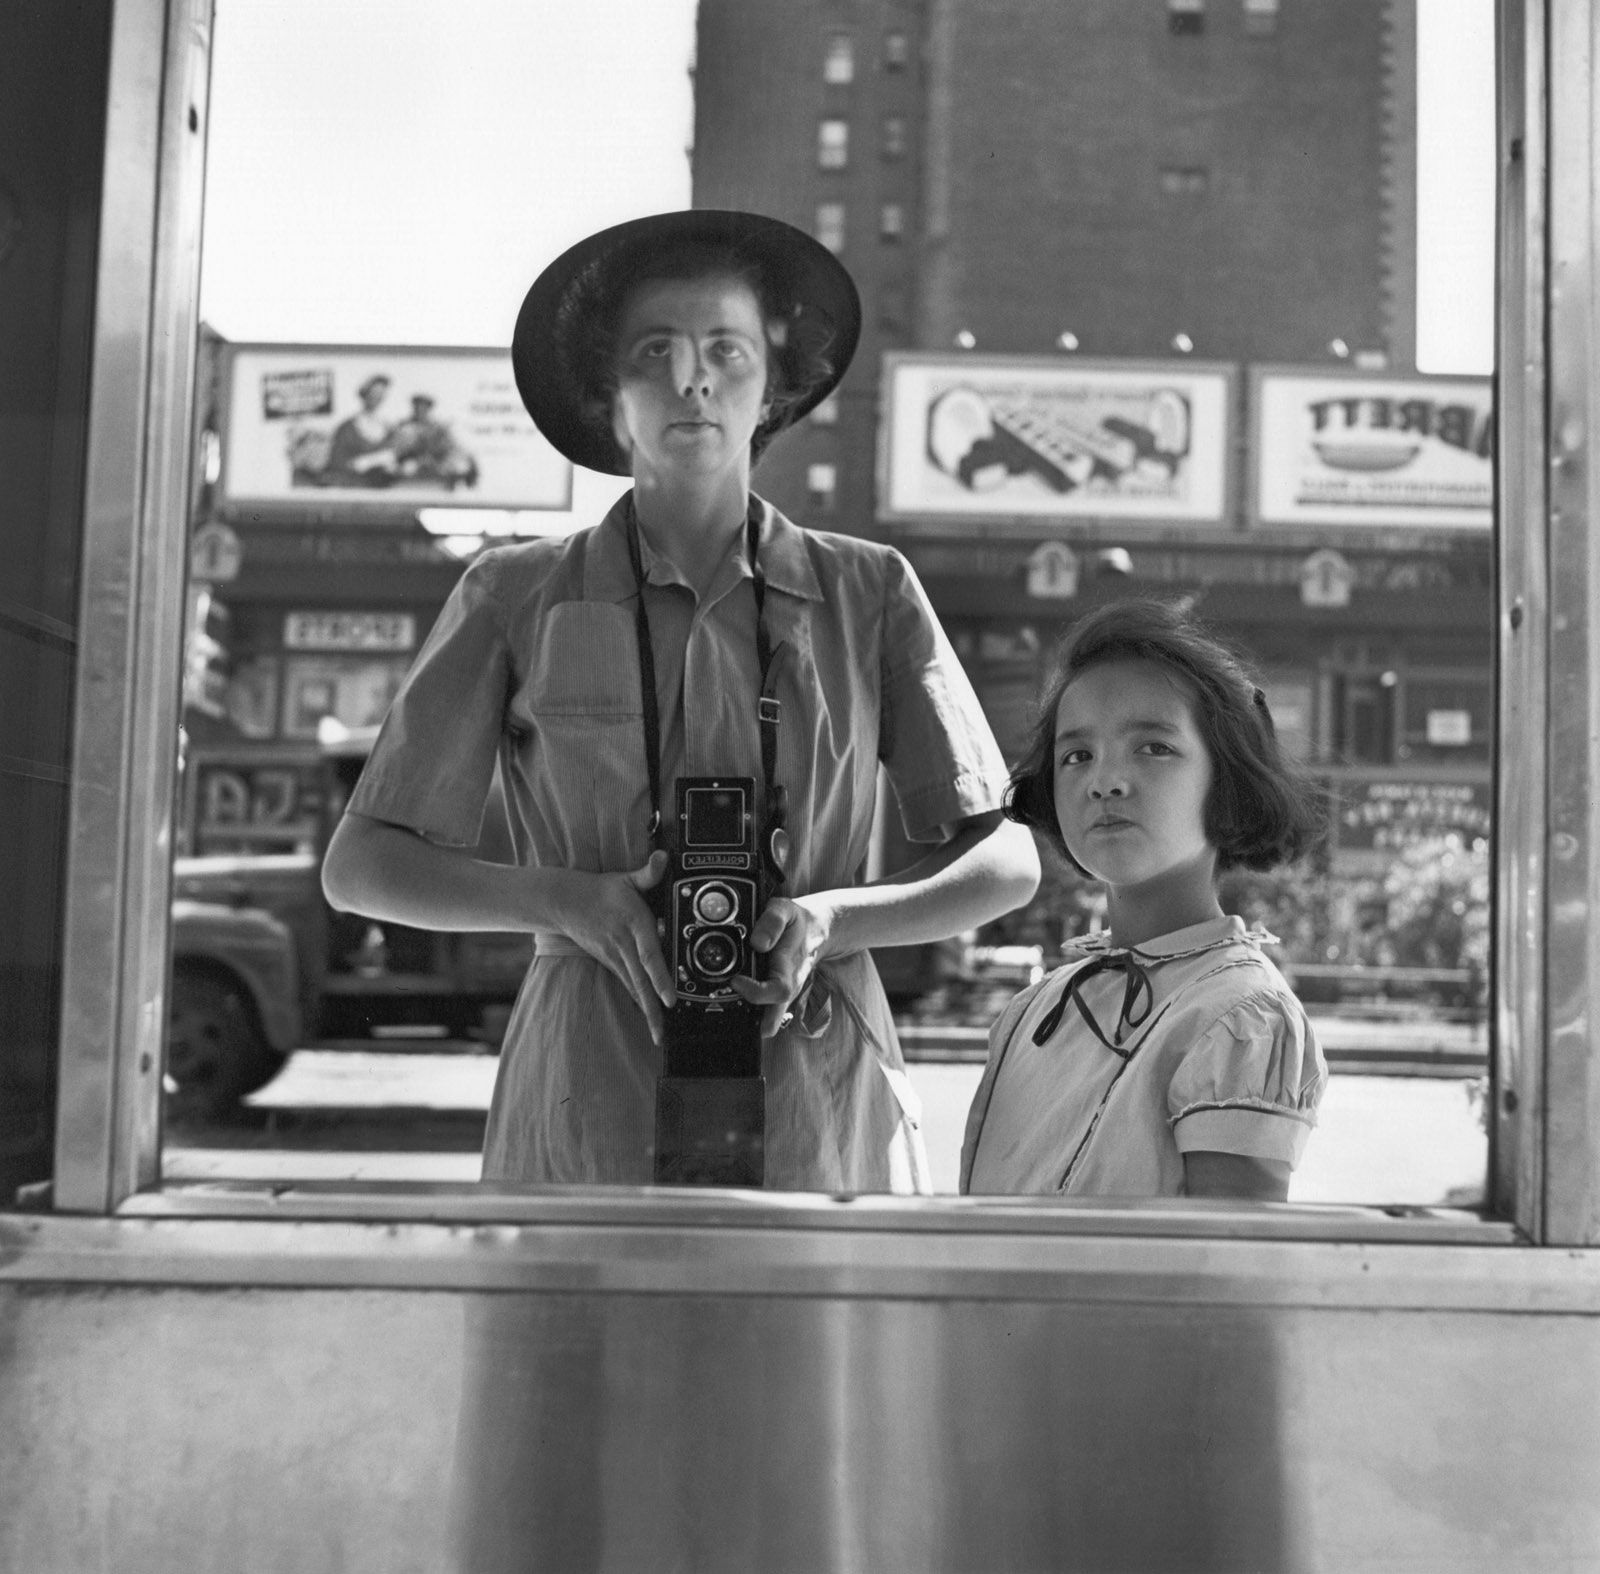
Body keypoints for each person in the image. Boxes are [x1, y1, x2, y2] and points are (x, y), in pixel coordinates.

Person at [321, 209, 1039, 1190]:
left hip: (817, 1089)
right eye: (653, 351)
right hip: (586, 1092)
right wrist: (566, 900)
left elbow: (1005, 858)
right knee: (577, 1344)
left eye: (725, 349)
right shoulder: (514, 592)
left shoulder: (868, 590)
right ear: (606, 394)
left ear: (770, 386)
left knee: (815, 1346)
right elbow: (362, 865)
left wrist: (834, 919)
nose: (690, 377)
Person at [960, 599, 1328, 1200]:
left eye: (1153, 748)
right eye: (1076, 755)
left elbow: (1224, 1273)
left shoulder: (1240, 1018)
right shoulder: (1033, 1010)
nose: (1105, 780)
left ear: (1226, 783)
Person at [326, 372, 398, 486]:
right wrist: (358, 464)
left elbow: (394, 457)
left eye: (381, 394)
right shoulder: (347, 427)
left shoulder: (388, 428)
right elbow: (336, 462)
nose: (376, 398)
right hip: (352, 485)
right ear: (365, 394)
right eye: (373, 393)